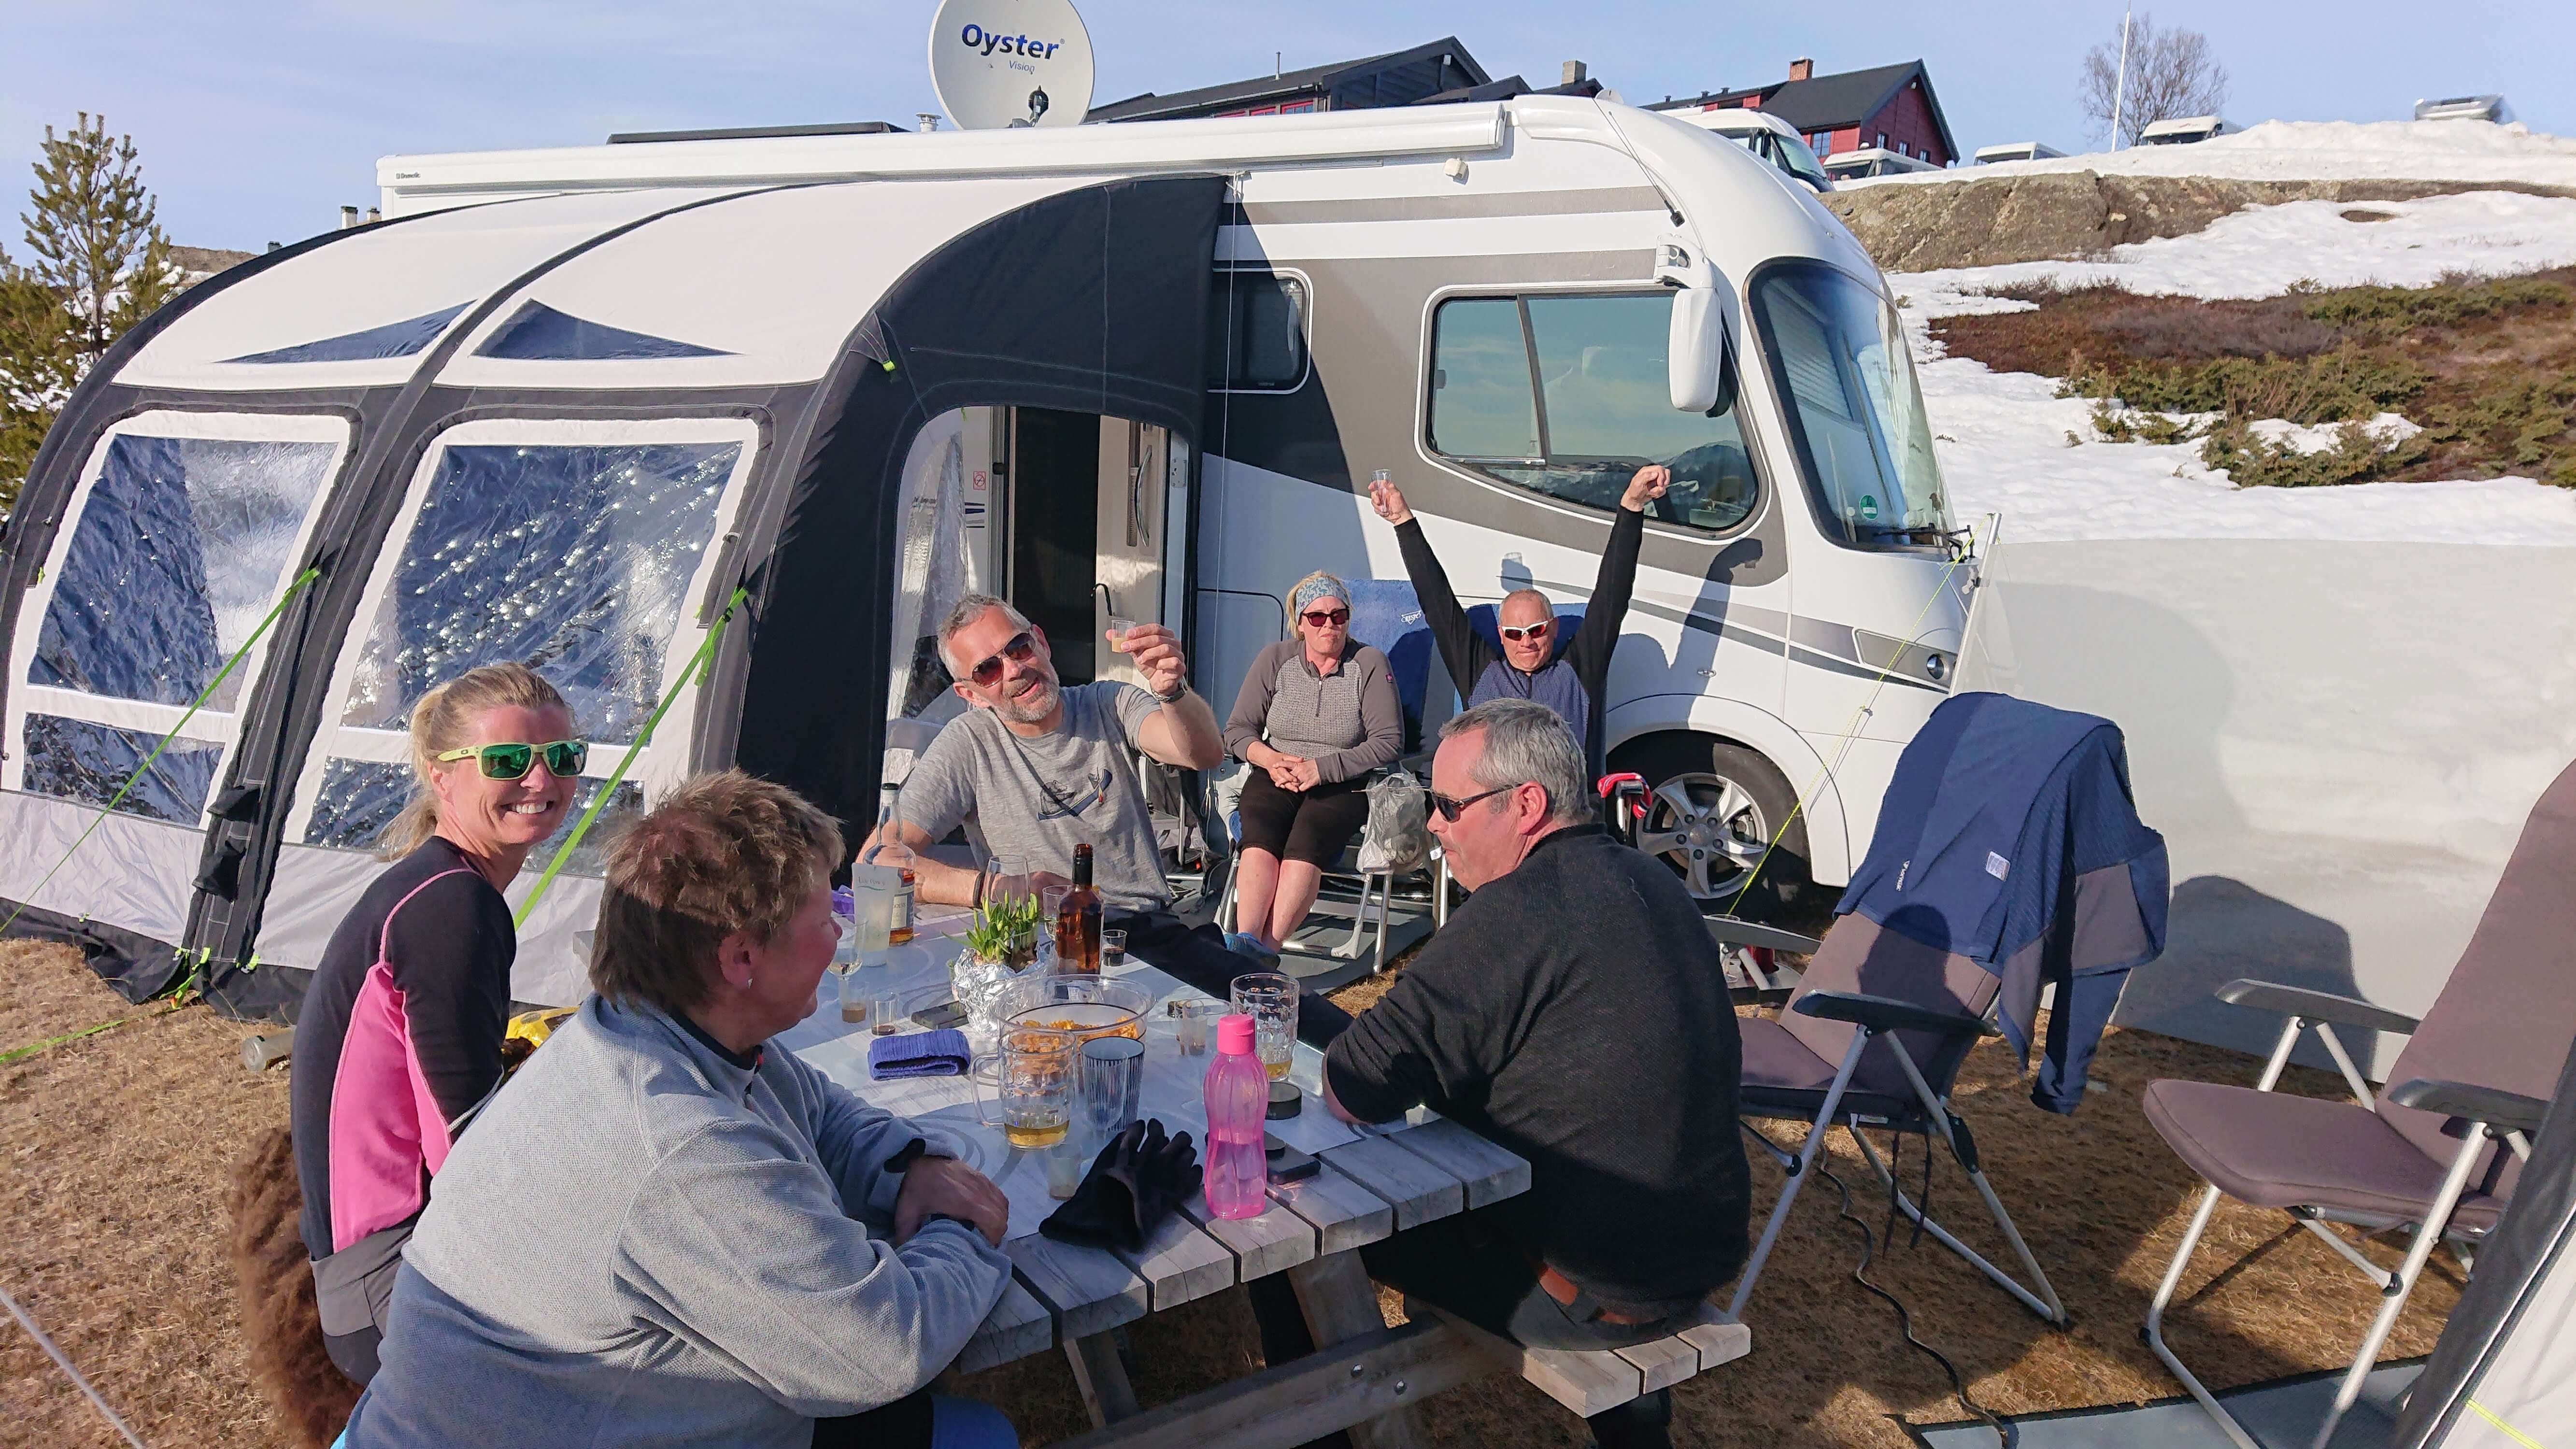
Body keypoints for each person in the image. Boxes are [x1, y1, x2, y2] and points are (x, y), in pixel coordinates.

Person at [339, 771, 1019, 1449]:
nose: (839, 936)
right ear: (742, 956)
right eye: (825, 919)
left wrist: (908, 1164)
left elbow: (817, 1109)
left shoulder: (644, 1028)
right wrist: (960, 1228)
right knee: (977, 1438)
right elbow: (886, 1351)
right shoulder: (681, 1145)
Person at [1322, 699, 1749, 1449]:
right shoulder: (1656, 885)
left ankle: (1317, 1430)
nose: (1432, 824)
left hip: (1583, 1289)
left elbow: (1355, 1086)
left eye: (1448, 805)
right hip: (1689, 1255)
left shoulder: (1518, 909)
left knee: (1298, 1222)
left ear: (1526, 805)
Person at [862, 592, 1352, 1045]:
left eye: (1019, 648)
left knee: (1305, 1019)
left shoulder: (1107, 703)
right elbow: (878, 861)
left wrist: (1172, 690)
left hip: (1141, 934)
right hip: (1038, 954)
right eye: (987, 669)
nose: (1013, 670)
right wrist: (995, 890)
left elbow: (1201, 754)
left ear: (1042, 642)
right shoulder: (968, 743)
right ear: (970, 693)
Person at [287, 662, 580, 1386]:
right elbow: (468, 1150)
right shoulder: (453, 906)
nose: (541, 781)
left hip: (383, 1259)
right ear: (441, 775)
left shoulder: (438, 883)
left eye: (563, 758)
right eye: (508, 761)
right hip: (395, 1282)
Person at [1367, 466, 1669, 777]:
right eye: (1514, 634)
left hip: (1561, 807)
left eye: (1537, 631)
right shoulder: (1480, 671)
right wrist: (1402, 522)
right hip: (1497, 804)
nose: (1526, 642)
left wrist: (1632, 508)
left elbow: (1613, 593)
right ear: (1501, 635)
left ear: (1553, 629)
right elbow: (1436, 600)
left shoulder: (1579, 670)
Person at [1222, 571, 1404, 958]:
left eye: (1338, 616)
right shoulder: (1275, 659)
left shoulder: (1368, 662)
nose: (1329, 626)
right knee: (1260, 833)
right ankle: (1243, 945)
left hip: (1342, 780)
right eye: (1317, 617)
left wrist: (1323, 769)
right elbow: (1237, 732)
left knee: (1307, 837)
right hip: (1277, 772)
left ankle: (1263, 956)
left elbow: (1388, 742)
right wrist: (1269, 760)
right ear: (1299, 623)